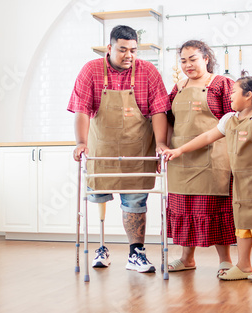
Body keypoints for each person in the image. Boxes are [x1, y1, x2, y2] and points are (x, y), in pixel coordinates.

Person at [163, 75, 252, 282]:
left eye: (234, 91)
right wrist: (179, 150)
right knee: (242, 225)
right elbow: (207, 137)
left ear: (248, 95)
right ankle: (243, 266)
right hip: (242, 182)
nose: (230, 95)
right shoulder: (229, 120)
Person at [68, 25, 170, 273]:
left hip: (137, 150)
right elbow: (81, 109)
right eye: (123, 50)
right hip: (101, 149)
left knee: (135, 202)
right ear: (109, 47)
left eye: (134, 50)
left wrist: (161, 144)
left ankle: (136, 253)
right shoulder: (91, 70)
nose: (129, 55)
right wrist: (81, 141)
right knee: (99, 197)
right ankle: (101, 247)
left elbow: (159, 111)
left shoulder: (148, 71)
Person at [166, 40, 236, 275]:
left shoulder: (222, 84)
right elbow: (169, 121)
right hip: (180, 157)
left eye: (193, 59)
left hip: (213, 158)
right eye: (183, 60)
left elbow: (235, 121)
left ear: (206, 58)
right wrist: (164, 147)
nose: (188, 65)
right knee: (185, 208)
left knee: (214, 209)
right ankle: (187, 259)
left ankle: (225, 260)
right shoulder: (177, 88)